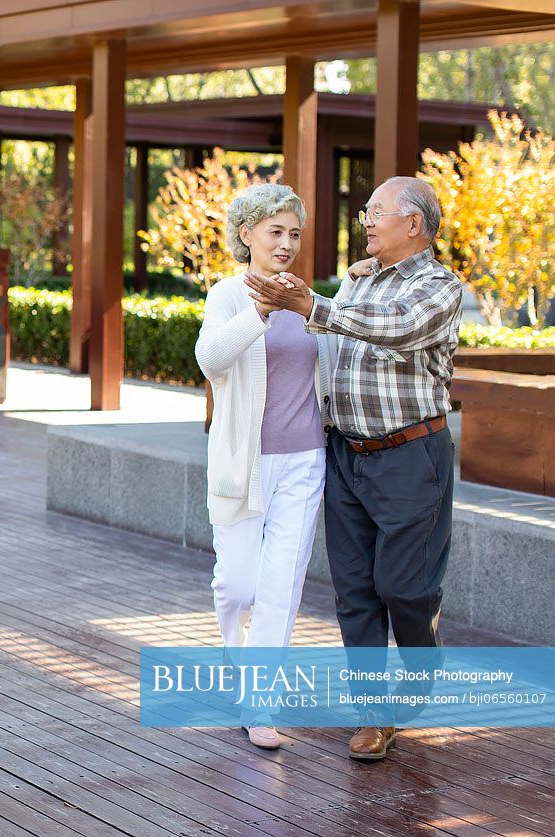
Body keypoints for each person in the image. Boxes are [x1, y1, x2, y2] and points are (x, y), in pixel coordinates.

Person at [245, 176, 463, 761]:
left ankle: (420, 670)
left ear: (413, 224)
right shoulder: (359, 279)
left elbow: (392, 330)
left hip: (411, 455)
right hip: (346, 455)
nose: (365, 220)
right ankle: (374, 713)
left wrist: (313, 304)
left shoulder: (440, 286)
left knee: (404, 589)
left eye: (376, 212)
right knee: (355, 592)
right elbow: (329, 345)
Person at [194, 183, 329, 750]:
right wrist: (259, 311)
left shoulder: (306, 298)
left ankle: (259, 703)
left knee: (280, 587)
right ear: (246, 234)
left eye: (294, 233)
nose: (287, 243)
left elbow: (333, 360)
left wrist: (305, 308)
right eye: (276, 231)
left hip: (305, 461)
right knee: (238, 585)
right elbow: (210, 360)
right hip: (243, 466)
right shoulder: (228, 295)